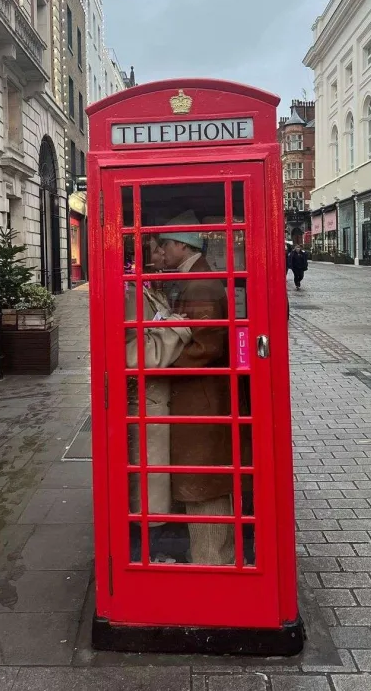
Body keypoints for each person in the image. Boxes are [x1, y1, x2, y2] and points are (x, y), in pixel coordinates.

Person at [159, 210, 234, 566]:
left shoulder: (200, 283)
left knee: (204, 478)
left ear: (180, 245)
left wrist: (159, 365)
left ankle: (212, 563)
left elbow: (206, 344)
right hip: (199, 392)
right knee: (201, 476)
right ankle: (208, 557)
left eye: (164, 245)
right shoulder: (193, 277)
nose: (160, 252)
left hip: (201, 394)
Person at [125, 237, 192, 561]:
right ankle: (149, 549)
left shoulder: (152, 290)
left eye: (163, 246)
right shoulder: (131, 294)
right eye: (156, 248)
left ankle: (159, 544)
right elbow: (135, 353)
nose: (162, 252)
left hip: (162, 400)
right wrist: (181, 327)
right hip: (146, 403)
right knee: (150, 486)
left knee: (161, 481)